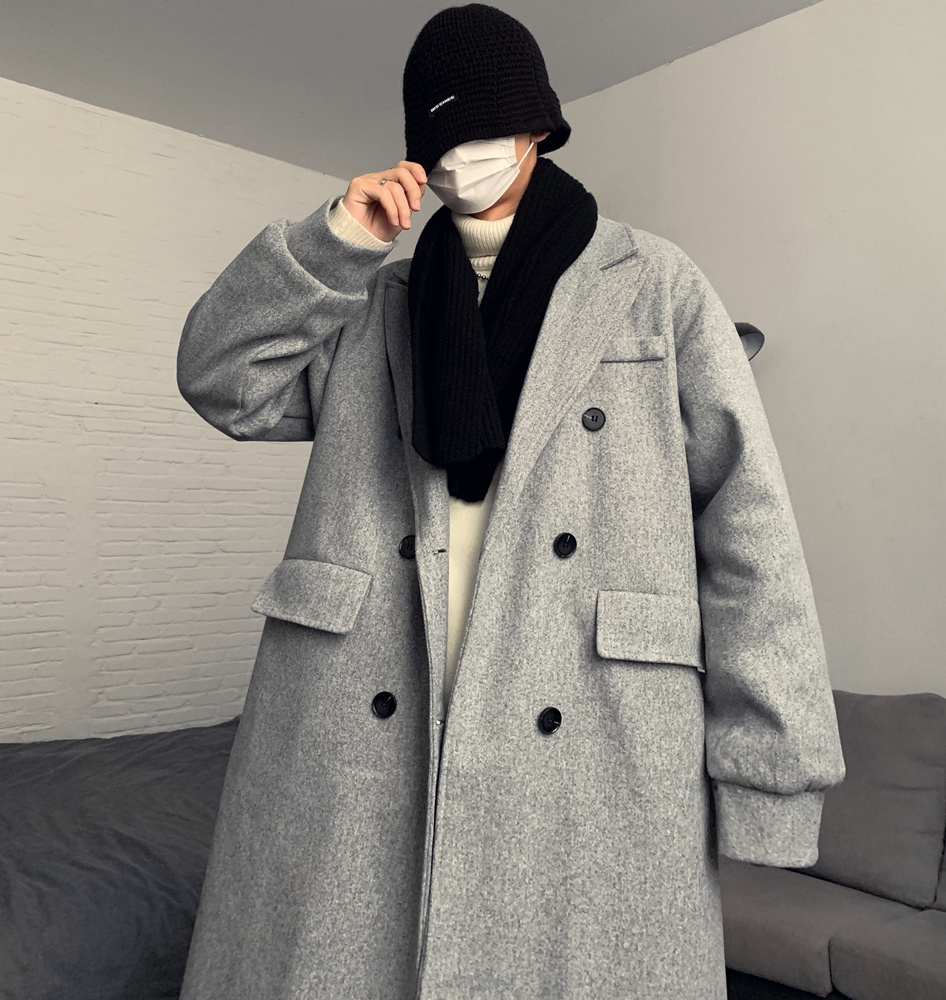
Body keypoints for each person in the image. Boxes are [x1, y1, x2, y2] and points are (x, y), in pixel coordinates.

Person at [176, 5, 846, 999]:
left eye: (486, 127)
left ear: (537, 126)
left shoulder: (653, 284)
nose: (463, 155)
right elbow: (224, 381)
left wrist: (770, 775)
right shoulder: (377, 300)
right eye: (440, 136)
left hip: (588, 701)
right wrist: (333, 244)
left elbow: (747, 528)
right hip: (368, 702)